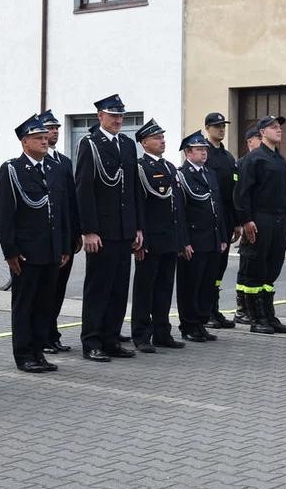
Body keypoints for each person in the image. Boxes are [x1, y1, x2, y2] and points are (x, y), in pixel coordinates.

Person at [0, 116, 70, 373]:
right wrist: (10, 251)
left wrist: (63, 246)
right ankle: (24, 354)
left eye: (46, 137)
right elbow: (5, 214)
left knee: (44, 305)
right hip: (27, 252)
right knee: (25, 304)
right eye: (38, 138)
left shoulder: (52, 169)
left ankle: (39, 351)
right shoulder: (13, 169)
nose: (45, 141)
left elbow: (59, 212)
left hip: (50, 250)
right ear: (25, 142)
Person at [74, 94, 144, 362]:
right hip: (102, 231)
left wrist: (137, 227)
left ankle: (111, 339)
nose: (117, 120)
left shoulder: (127, 144)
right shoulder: (90, 144)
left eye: (120, 116)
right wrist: (89, 230)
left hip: (124, 229)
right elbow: (84, 188)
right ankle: (91, 341)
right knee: (98, 289)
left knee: (118, 290)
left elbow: (133, 189)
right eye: (112, 115)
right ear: (100, 116)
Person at [130, 119, 187, 353]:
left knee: (164, 287)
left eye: (162, 137)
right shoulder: (140, 168)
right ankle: (142, 335)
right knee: (145, 289)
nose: (162, 141)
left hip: (169, 238)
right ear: (144, 143)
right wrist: (140, 238)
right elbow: (138, 205)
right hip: (151, 239)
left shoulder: (170, 167)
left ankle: (162, 333)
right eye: (156, 138)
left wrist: (181, 239)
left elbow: (177, 207)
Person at [233, 115, 286, 335]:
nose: (278, 130)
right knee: (255, 268)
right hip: (259, 219)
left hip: (278, 219)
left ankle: (268, 315)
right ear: (262, 133)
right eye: (273, 127)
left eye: (279, 127)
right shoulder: (254, 159)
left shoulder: (280, 160)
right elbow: (242, 192)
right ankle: (256, 318)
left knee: (272, 268)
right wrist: (246, 220)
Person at [176, 130, 227, 343]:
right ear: (188, 152)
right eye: (199, 149)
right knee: (191, 285)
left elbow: (218, 207)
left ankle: (201, 323)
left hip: (212, 238)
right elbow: (179, 212)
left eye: (205, 149)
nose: (204, 153)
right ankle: (189, 325)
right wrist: (184, 242)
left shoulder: (210, 173)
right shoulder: (181, 175)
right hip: (195, 240)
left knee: (207, 284)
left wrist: (222, 236)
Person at [40, 109, 81, 355]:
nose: (53, 132)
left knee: (59, 289)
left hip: (65, 236)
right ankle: (43, 335)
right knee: (46, 290)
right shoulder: (38, 160)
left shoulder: (64, 161)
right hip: (47, 238)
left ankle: (52, 332)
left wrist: (76, 232)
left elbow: (71, 202)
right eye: (49, 128)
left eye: (56, 128)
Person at [203, 112, 239, 330]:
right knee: (208, 265)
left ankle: (214, 309)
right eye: (216, 126)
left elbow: (233, 191)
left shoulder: (227, 157)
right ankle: (205, 311)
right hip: (209, 216)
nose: (221, 129)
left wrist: (236, 221)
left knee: (221, 265)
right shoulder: (203, 153)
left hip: (225, 215)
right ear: (207, 128)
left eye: (223, 126)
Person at [232, 126, 261, 325]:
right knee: (247, 265)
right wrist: (241, 222)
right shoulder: (242, 163)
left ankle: (258, 307)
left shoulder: (271, 161)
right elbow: (238, 194)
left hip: (264, 224)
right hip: (248, 222)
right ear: (250, 141)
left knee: (261, 267)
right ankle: (242, 309)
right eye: (258, 137)